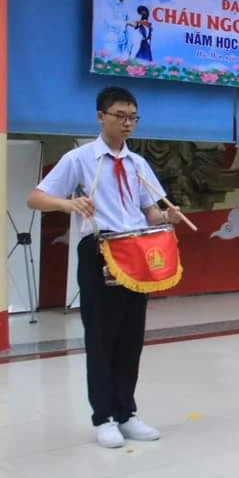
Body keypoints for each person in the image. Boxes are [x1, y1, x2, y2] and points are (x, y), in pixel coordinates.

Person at [26, 86, 183, 448]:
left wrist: (167, 216)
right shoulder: (80, 159)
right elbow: (34, 198)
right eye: (120, 116)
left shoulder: (138, 164)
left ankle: (127, 412)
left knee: (131, 337)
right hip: (101, 250)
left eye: (133, 117)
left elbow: (149, 211)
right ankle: (104, 417)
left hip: (137, 251)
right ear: (101, 116)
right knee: (101, 337)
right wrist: (69, 205)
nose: (128, 124)